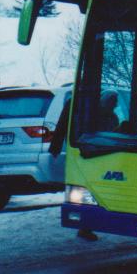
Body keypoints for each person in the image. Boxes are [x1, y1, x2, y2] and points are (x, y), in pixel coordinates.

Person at [49, 94, 98, 242]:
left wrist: (55, 147)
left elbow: (62, 123)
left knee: (84, 190)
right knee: (83, 190)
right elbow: (64, 123)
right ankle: (85, 226)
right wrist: (55, 147)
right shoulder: (90, 100)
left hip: (84, 149)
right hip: (83, 150)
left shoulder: (77, 99)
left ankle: (85, 226)